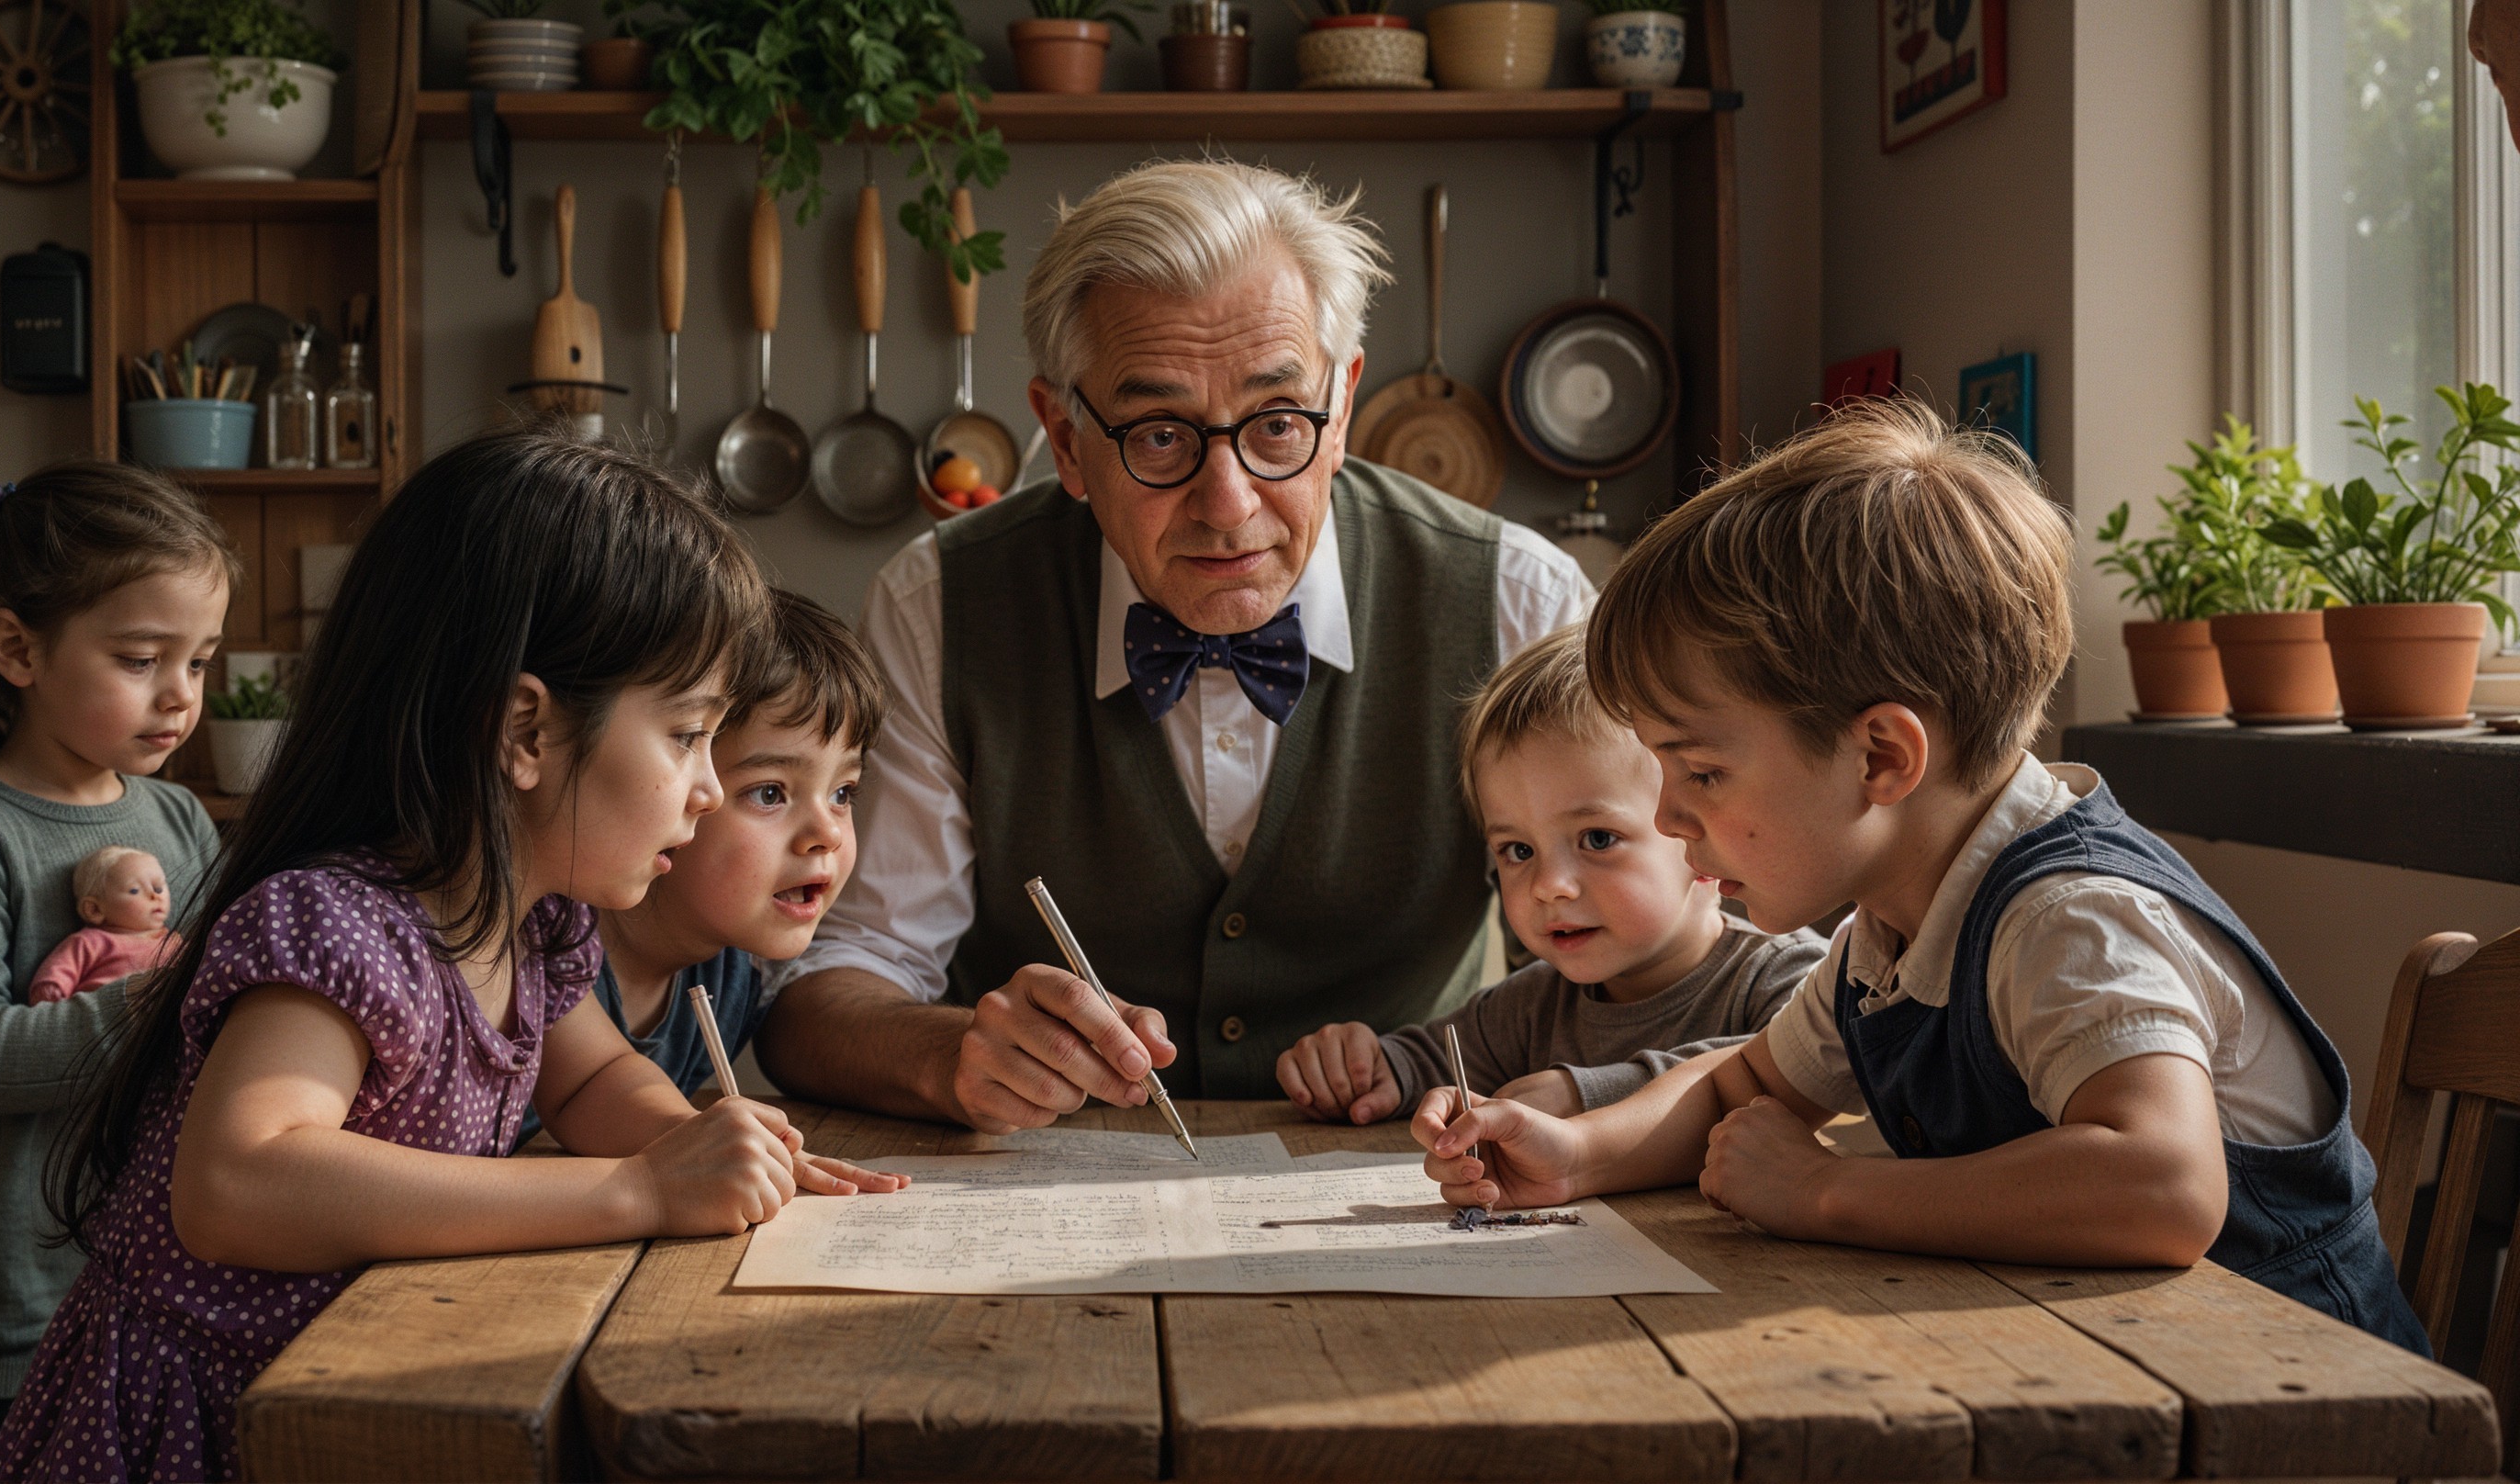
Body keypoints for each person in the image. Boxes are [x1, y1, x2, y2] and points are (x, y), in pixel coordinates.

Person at [1414, 399, 2425, 1352]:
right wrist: (1576, 1153)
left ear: (1883, 757)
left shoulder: (2070, 919)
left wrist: (1822, 1193)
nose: (1672, 816)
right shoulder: (1889, 934)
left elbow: (2163, 1184)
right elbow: (1747, 1081)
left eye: (1703, 770)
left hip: (2302, 1398)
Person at [0, 432, 899, 1483]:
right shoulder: (340, 922)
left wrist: (701, 1140)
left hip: (367, 1390)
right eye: (689, 732)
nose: (705, 787)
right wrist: (639, 1191)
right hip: (205, 1430)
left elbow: (596, 1074)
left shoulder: (533, 924)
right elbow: (239, 1178)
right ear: (525, 728)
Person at [767, 159, 1593, 1132]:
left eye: (1279, 423)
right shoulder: (937, 601)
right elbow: (824, 989)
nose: (1229, 504)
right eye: (1159, 435)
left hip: (1415, 1177)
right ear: (1066, 438)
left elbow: (1650, 949)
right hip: (1033, 1193)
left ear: (1344, 407)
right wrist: (949, 1054)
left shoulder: (1517, 600)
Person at [0, 464, 233, 1436]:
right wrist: (152, 1003)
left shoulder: (178, 814)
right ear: (17, 647)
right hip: (29, 1305)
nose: (180, 695)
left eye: (199, 661)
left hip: (170, 1278)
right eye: (140, 658)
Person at [1275, 625, 1824, 1125]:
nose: (1548, 885)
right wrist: (1365, 1065)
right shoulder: (1530, 1007)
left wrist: (1582, 1094)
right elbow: (1430, 1060)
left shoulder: (1793, 980)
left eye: (1598, 839)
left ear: (1698, 835)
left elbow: (1767, 1071)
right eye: (1517, 850)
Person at [520, 591, 891, 1140]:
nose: (827, 834)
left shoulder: (733, 975)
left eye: (843, 792)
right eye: (769, 793)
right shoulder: (545, 937)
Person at [27, 846, 182, 1005]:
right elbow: (50, 986)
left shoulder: (175, 942)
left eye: (158, 888)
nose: (154, 896)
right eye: (134, 890)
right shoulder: (89, 943)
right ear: (94, 909)